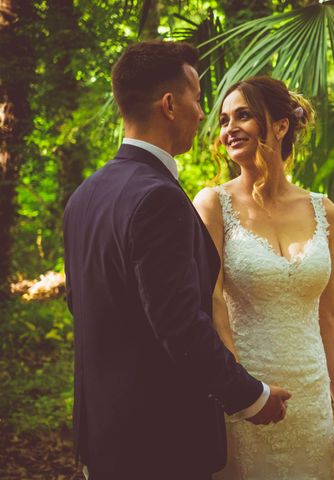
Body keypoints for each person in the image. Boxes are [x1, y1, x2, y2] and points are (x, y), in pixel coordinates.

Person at [63, 41, 290, 480]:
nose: (204, 114)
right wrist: (251, 397)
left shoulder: (83, 197)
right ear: (170, 104)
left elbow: (83, 306)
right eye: (199, 99)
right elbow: (179, 323)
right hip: (158, 444)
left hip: (102, 438)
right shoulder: (159, 198)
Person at [194, 76, 334, 479]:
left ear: (281, 125)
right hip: (248, 391)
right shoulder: (212, 204)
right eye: (224, 120)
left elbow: (329, 316)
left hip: (310, 396)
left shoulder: (325, 211)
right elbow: (212, 301)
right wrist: (242, 394)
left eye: (244, 116)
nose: (229, 129)